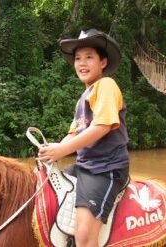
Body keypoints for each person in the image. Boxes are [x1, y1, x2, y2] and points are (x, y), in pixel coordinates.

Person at [38, 28, 130, 247]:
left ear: (103, 63)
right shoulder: (84, 97)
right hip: (85, 166)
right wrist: (52, 150)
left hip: (105, 168)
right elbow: (73, 134)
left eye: (89, 57)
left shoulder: (106, 85)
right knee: (44, 189)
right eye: (78, 58)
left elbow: (103, 126)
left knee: (85, 235)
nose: (82, 63)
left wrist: (61, 151)